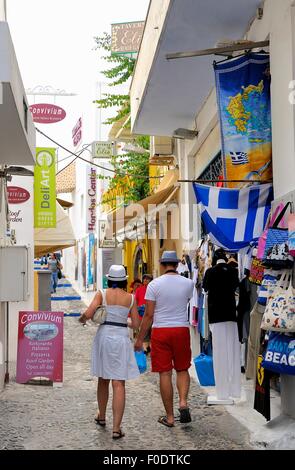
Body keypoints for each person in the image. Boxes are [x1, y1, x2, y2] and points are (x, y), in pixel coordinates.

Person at [79, 265, 140, 439]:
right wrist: (122, 321)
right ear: (124, 280)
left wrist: (82, 319)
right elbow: (136, 324)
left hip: (104, 337)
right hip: (121, 338)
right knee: (119, 383)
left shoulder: (102, 294)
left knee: (103, 379)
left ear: (109, 279)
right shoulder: (131, 298)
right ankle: (116, 428)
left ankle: (102, 416)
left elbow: (89, 313)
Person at [135, 251, 194, 427]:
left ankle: (169, 417)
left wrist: (139, 339)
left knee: (165, 373)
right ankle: (183, 402)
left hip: (161, 332)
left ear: (162, 265)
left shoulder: (154, 285)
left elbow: (148, 315)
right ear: (176, 265)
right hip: (181, 330)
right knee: (182, 369)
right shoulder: (188, 283)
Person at [202, 248, 241, 402]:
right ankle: (234, 390)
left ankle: (222, 393)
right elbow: (236, 287)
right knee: (232, 353)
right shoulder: (232, 271)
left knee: (220, 354)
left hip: (216, 317)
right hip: (231, 315)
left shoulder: (210, 272)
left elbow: (205, 288)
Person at [135, 274, 153, 353]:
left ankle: (149, 346)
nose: (145, 280)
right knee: (144, 330)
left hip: (152, 312)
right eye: (144, 279)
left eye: (147, 279)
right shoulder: (139, 290)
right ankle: (146, 348)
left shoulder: (153, 289)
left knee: (151, 330)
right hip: (141, 313)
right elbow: (136, 301)